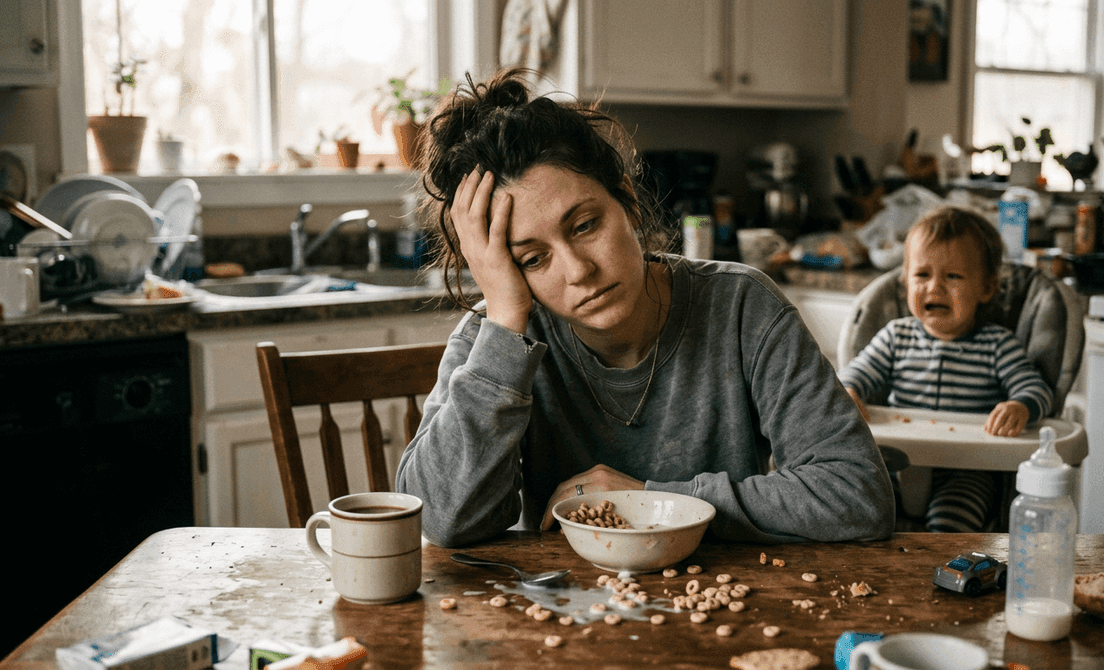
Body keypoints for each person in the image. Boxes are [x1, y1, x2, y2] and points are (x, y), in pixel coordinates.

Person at [395, 68, 894, 548]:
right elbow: (440, 519)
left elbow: (856, 493)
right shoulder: (494, 338)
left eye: (585, 225)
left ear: (628, 201)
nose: (578, 270)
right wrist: (505, 323)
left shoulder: (743, 307)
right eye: (533, 258)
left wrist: (653, 502)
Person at [838, 206, 1053, 533]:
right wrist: (849, 393)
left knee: (951, 525)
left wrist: (1020, 406)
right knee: (856, 509)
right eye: (922, 275)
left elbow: (1037, 389)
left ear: (987, 288)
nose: (934, 288)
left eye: (953, 276)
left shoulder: (997, 345)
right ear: (905, 282)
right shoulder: (896, 337)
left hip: (968, 470)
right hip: (895, 463)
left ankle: (939, 568)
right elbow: (854, 375)